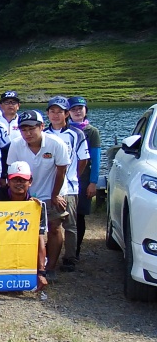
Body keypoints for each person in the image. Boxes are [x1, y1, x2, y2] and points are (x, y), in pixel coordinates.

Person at [7, 110, 71, 278]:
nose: (27, 133)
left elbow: (61, 171)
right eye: (24, 129)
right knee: (27, 230)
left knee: (55, 227)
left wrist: (55, 195)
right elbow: (12, 171)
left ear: (42, 127)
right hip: (26, 193)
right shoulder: (15, 144)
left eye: (31, 129)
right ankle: (27, 265)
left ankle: (50, 268)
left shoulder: (56, 143)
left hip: (52, 190)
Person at [44, 96, 89, 272]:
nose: (55, 115)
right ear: (47, 113)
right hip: (47, 186)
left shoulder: (76, 134)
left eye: (60, 112)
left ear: (67, 114)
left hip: (69, 186)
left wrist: (73, 177)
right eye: (52, 111)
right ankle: (45, 255)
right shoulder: (43, 134)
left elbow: (83, 160)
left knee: (70, 223)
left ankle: (70, 257)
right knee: (48, 223)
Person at [0, 161, 48, 292]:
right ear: (8, 181)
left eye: (23, 180)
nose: (18, 183)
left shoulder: (36, 207)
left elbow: (39, 239)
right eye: (15, 180)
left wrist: (41, 272)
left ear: (30, 181)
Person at [68, 96, 102, 260]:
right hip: (64, 178)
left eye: (80, 108)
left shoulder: (92, 131)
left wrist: (93, 182)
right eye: (73, 109)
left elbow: (95, 159)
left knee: (78, 216)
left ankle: (76, 251)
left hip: (83, 178)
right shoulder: (64, 129)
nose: (77, 111)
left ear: (85, 110)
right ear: (68, 112)